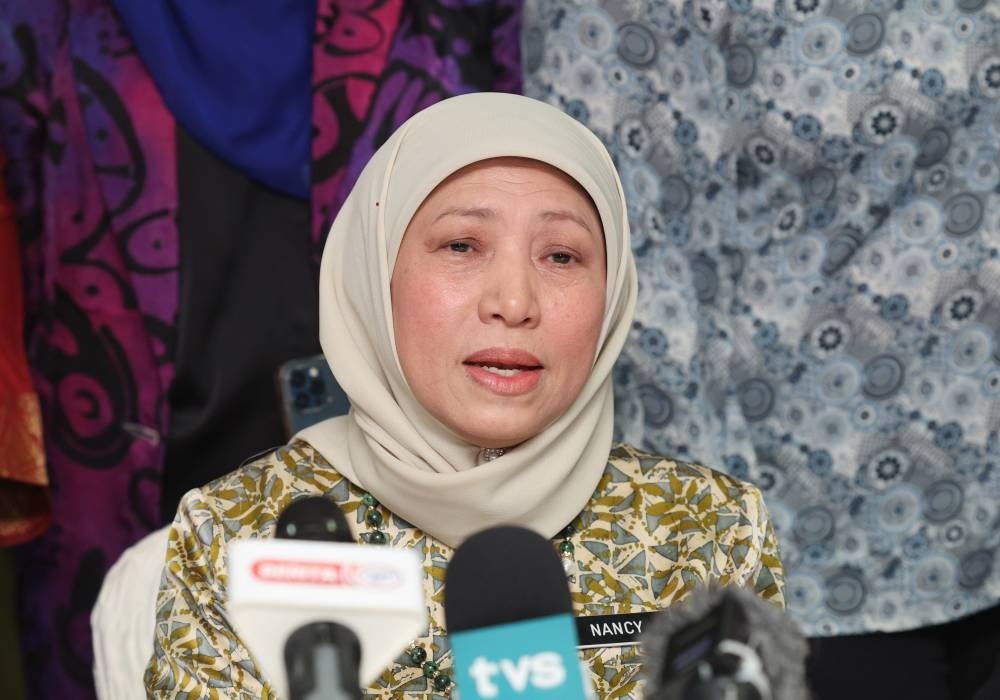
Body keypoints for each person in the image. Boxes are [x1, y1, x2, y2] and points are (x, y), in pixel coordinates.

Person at [144, 92, 785, 698]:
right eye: (462, 245)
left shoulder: (709, 527)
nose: (513, 303)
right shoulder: (238, 532)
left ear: (613, 295)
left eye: (561, 256)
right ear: (375, 276)